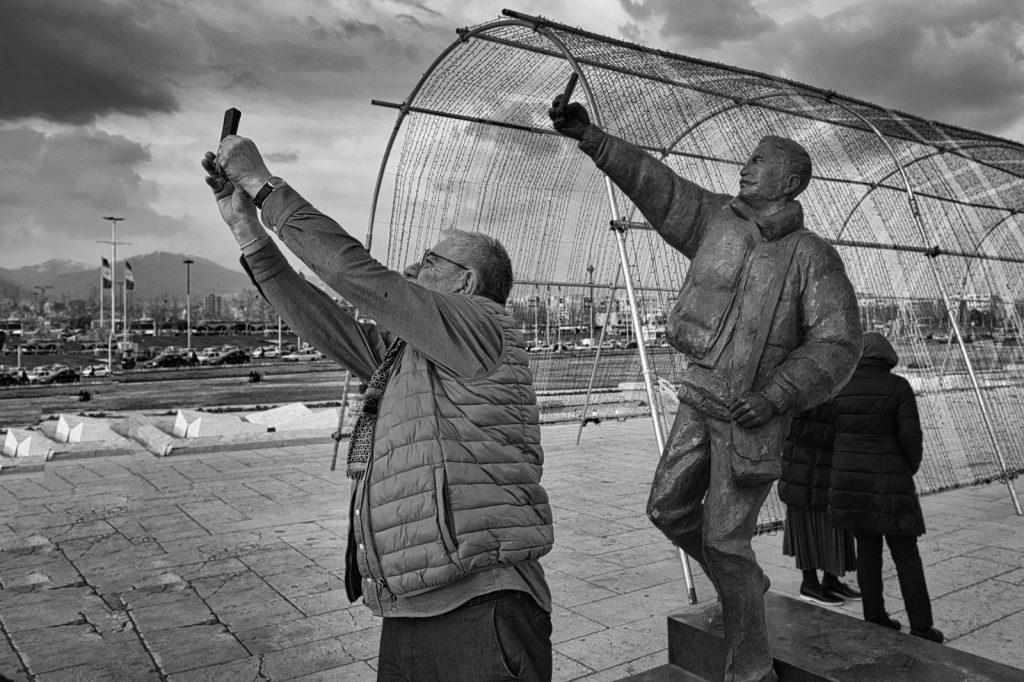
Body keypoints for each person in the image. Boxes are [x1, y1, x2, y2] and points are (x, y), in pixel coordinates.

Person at [202, 136, 555, 681]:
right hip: (410, 604)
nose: (413, 266)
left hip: (482, 602)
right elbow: (324, 320)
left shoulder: (480, 326)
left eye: (431, 260)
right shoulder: (410, 354)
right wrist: (246, 228)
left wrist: (264, 185)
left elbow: (359, 276)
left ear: (467, 281)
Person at [549, 98, 862, 682]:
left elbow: (838, 344)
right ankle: (741, 579)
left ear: (790, 182)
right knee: (667, 509)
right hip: (700, 397)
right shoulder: (717, 219)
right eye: (749, 159)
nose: (746, 167)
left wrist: (775, 395)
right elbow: (657, 185)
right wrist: (591, 136)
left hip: (755, 416)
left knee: (723, 538)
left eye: (760, 162)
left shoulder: (812, 256)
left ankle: (752, 667)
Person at [828, 332, 944, 643]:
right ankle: (921, 626)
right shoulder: (898, 387)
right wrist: (906, 470)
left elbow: (831, 437)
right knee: (906, 554)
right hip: (891, 482)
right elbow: (911, 439)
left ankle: (874, 615)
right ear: (888, 357)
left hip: (852, 484)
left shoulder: (840, 389)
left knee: (867, 552)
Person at [779, 405, 859, 606]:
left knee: (833, 526)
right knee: (809, 527)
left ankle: (830, 579)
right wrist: (838, 434)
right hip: (803, 470)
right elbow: (792, 427)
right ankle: (809, 583)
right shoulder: (804, 386)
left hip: (824, 468)